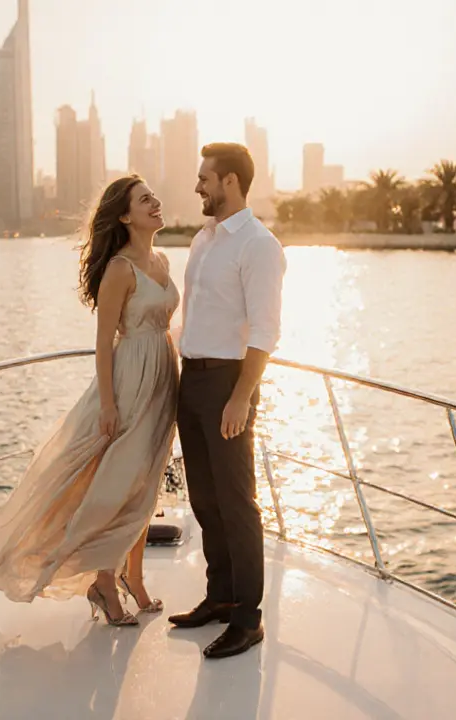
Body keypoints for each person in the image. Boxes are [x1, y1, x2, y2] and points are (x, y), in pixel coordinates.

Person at [0, 176, 179, 626]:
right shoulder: (120, 269)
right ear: (124, 215)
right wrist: (109, 403)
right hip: (131, 380)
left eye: (153, 196)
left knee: (147, 484)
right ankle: (103, 581)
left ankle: (132, 578)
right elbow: (104, 342)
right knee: (119, 485)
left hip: (163, 377)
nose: (155, 203)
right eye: (144, 200)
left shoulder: (161, 259)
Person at [167, 143, 286, 659]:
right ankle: (219, 597)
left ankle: (248, 618)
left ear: (231, 182)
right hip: (191, 381)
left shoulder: (258, 245)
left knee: (237, 505)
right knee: (204, 500)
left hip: (227, 385)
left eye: (205, 179)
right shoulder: (204, 239)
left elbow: (265, 332)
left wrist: (241, 398)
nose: (197, 187)